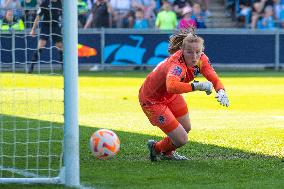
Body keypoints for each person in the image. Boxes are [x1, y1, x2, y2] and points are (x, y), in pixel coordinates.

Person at [138, 28, 229, 161]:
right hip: (152, 100)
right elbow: (171, 86)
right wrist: (197, 86)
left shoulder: (202, 59)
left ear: (202, 50)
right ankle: (156, 148)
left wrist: (221, 91)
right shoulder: (177, 65)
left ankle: (166, 153)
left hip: (170, 96)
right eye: (189, 52)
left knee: (186, 127)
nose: (194, 56)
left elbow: (213, 77)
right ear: (182, 51)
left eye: (198, 52)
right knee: (181, 139)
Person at [28, 0, 63, 73]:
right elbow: (38, 17)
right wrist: (33, 29)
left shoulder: (60, 3)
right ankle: (31, 67)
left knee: (60, 47)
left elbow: (64, 15)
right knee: (41, 45)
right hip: (46, 26)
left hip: (56, 26)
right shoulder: (45, 3)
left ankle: (64, 68)